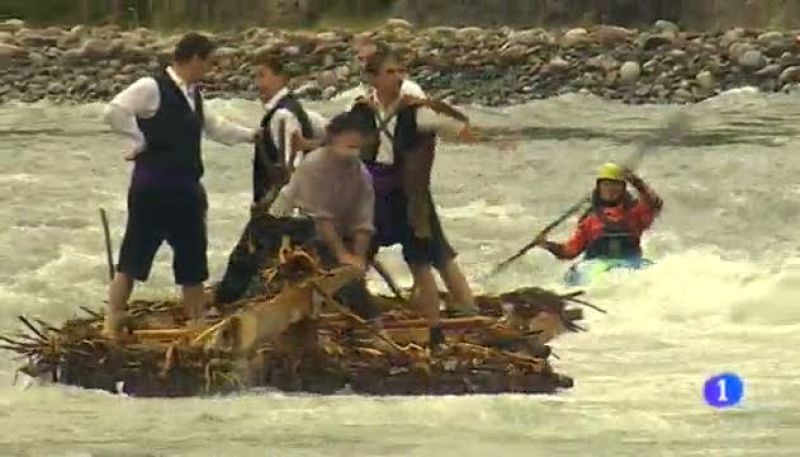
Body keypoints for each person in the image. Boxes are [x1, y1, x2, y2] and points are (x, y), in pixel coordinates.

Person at [102, 32, 259, 339]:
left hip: (186, 188)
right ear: (195, 58)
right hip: (153, 186)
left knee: (192, 257)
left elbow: (215, 128)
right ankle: (112, 321)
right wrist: (139, 138)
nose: (210, 70)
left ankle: (196, 323)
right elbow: (114, 111)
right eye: (209, 63)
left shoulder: (193, 95)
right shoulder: (152, 86)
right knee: (134, 256)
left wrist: (252, 135)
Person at [347, 49, 479, 348]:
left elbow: (455, 125)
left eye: (400, 72)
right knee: (359, 258)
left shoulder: (415, 110)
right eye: (390, 72)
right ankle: (360, 317)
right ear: (374, 78)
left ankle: (437, 331)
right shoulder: (362, 109)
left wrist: (473, 134)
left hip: (409, 195)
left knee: (422, 260)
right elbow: (338, 139)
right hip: (373, 195)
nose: (397, 77)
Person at [213, 52, 327, 306]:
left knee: (245, 260)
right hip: (287, 205)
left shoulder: (283, 116)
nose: (258, 83)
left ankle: (225, 306)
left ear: (281, 78)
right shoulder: (287, 111)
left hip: (279, 206)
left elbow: (291, 165)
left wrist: (275, 204)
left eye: (262, 76)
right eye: (256, 76)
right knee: (265, 261)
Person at [268, 111, 382, 322]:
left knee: (352, 271)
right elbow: (322, 219)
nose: (353, 154)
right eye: (348, 147)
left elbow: (363, 222)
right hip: (294, 225)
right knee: (333, 267)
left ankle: (361, 314)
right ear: (332, 141)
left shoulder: (361, 174)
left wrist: (358, 257)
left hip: (337, 229)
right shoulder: (314, 166)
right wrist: (342, 256)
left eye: (357, 148)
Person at [534, 162, 663, 260]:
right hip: (596, 267)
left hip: (630, 265)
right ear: (599, 188)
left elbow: (654, 203)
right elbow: (570, 251)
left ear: (623, 189)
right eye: (606, 185)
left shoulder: (635, 213)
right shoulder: (590, 219)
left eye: (615, 185)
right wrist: (547, 245)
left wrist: (637, 182)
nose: (610, 189)